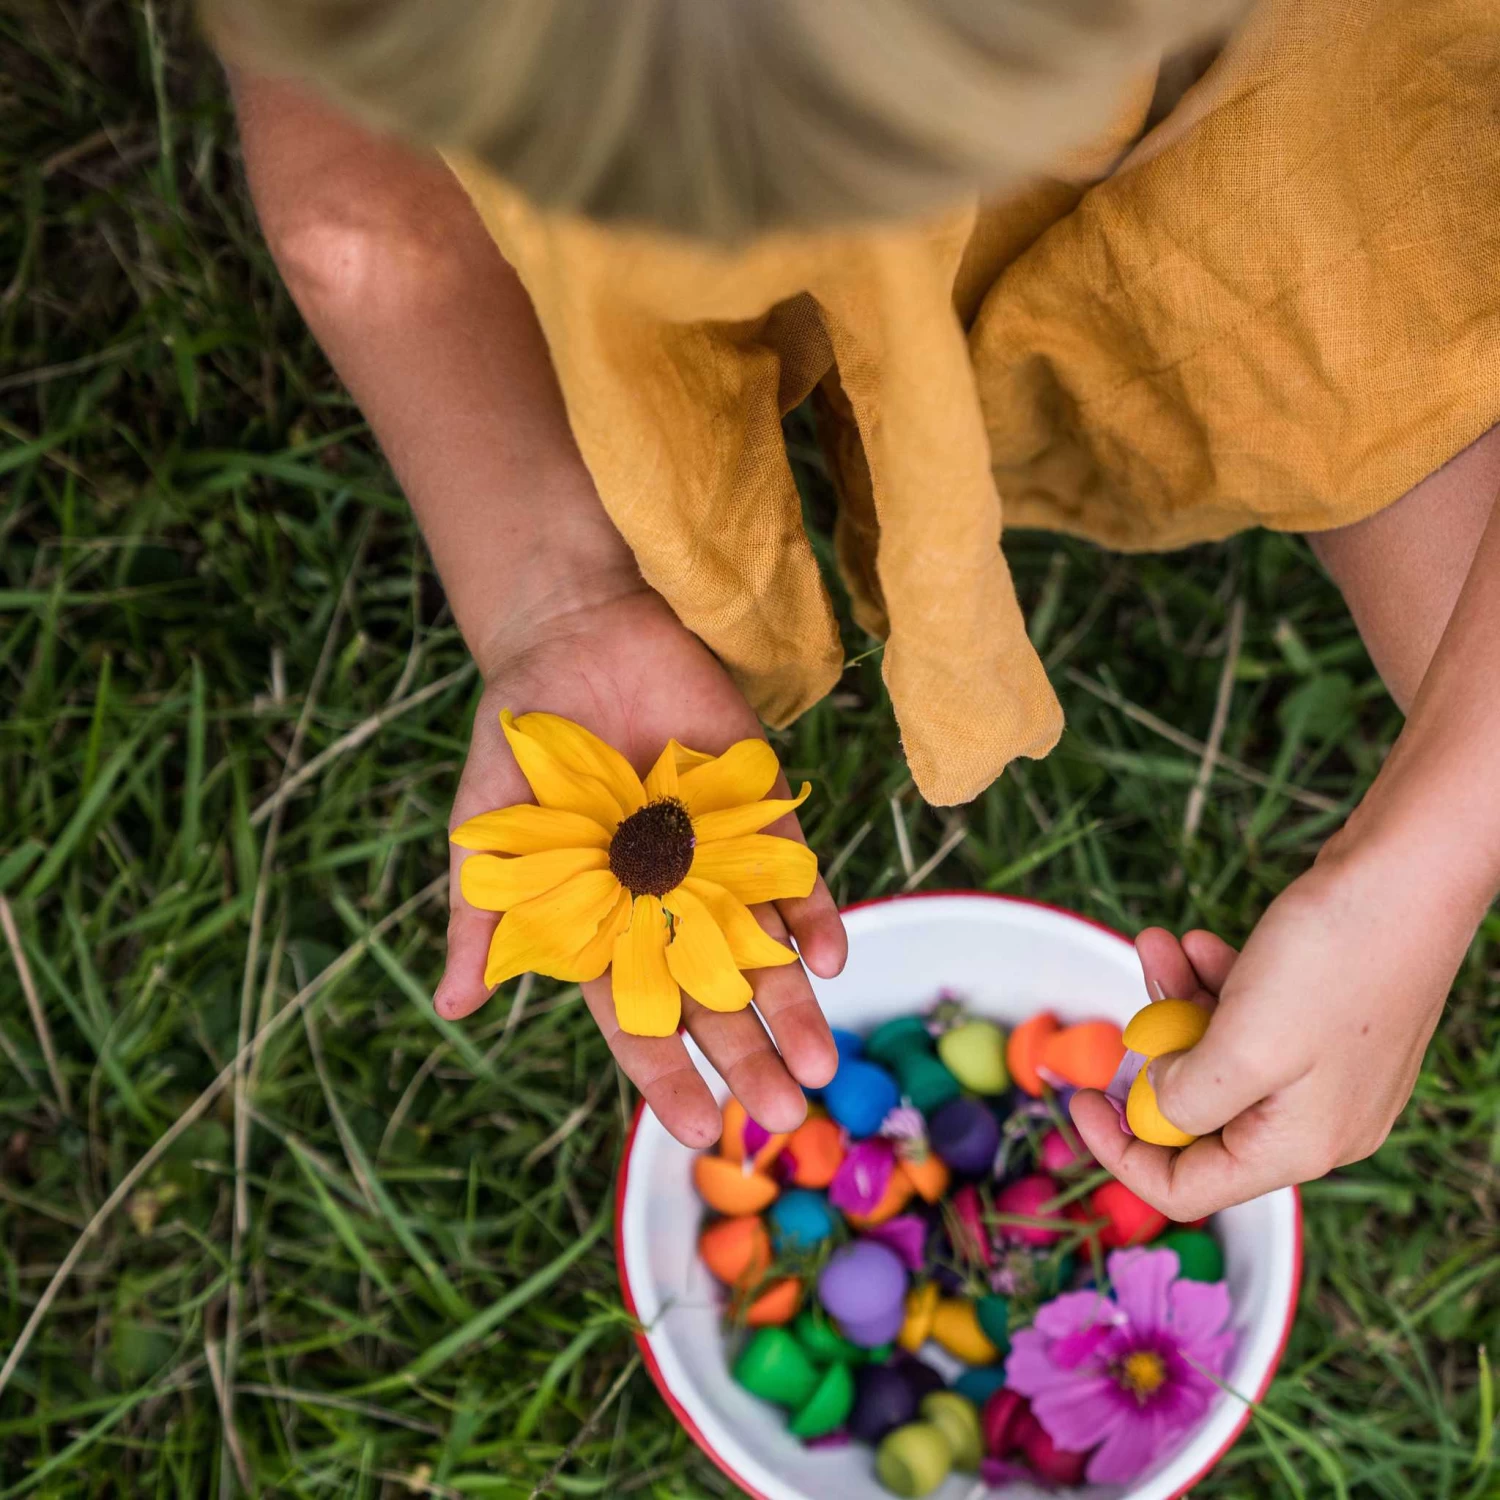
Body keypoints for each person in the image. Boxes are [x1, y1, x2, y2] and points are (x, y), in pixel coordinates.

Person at [210, 0, 1500, 1220]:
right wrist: (555, 589)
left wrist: (1422, 868)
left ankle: (1296, 350)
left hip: (1301, 113)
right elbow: (357, 216)